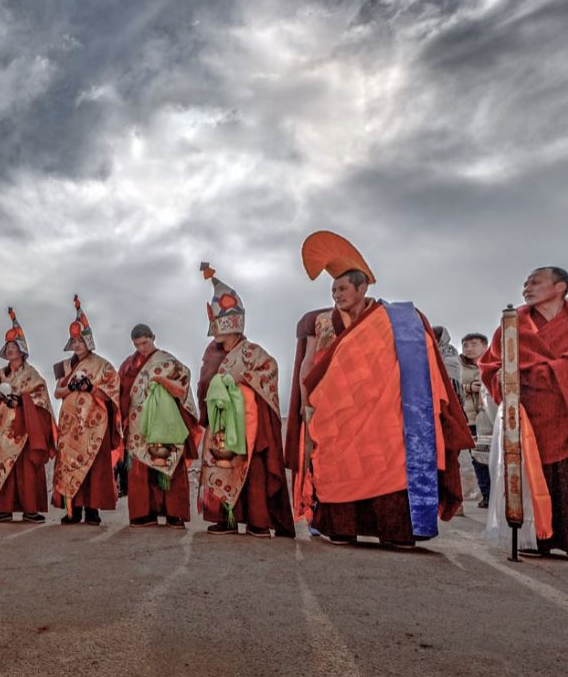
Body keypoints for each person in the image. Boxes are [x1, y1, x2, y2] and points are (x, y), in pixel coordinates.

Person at [295, 231, 472, 548]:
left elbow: (417, 362)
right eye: (333, 289)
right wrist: (308, 401)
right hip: (339, 409)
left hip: (387, 411)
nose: (337, 295)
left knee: (390, 461)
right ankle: (341, 528)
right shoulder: (323, 322)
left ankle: (396, 531)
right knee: (338, 460)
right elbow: (314, 364)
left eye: (343, 288)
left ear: (362, 288)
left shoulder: (396, 321)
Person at [479, 266, 568, 560]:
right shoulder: (513, 325)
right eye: (525, 283)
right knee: (534, 479)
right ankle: (537, 541)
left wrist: (563, 368)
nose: (527, 287)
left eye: (535, 282)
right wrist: (500, 379)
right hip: (533, 419)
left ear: (560, 286)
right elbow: (491, 365)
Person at [197, 264, 294, 538]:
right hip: (221, 425)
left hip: (249, 423)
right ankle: (225, 519)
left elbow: (270, 370)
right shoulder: (213, 355)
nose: (216, 332)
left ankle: (257, 520)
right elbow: (204, 385)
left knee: (254, 472)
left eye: (219, 327)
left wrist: (242, 379)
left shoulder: (252, 352)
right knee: (221, 466)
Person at [119, 324, 198, 529]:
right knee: (139, 466)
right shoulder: (128, 364)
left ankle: (174, 514)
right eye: (137, 345)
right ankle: (143, 514)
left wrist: (162, 380)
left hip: (163, 418)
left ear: (153, 337)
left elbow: (183, 385)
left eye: (145, 343)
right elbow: (121, 392)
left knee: (167, 461)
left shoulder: (167, 362)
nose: (142, 348)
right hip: (138, 422)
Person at [52, 296, 121, 526]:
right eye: (74, 341)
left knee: (92, 467)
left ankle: (92, 510)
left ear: (88, 342)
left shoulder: (103, 365)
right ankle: (73, 510)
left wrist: (91, 387)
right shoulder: (65, 366)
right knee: (69, 465)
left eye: (80, 340)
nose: (77, 345)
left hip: (94, 425)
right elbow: (57, 392)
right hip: (71, 425)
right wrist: (69, 387)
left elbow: (111, 393)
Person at [0, 308, 55, 523]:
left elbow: (41, 398)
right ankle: (4, 508)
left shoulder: (32, 374)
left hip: (24, 427)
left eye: (14, 347)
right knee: (3, 466)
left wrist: (21, 401)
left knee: (25, 468)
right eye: (7, 347)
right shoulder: (0, 374)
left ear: (22, 350)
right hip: (4, 426)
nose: (10, 350)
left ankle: (30, 509)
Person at [460, 332, 493, 508]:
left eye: (473, 344)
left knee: (496, 456)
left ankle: (499, 494)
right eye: (465, 345)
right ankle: (487, 495)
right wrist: (468, 387)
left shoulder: (492, 362)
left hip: (492, 418)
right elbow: (452, 384)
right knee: (478, 459)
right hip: (471, 419)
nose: (469, 348)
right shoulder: (459, 366)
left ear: (485, 346)